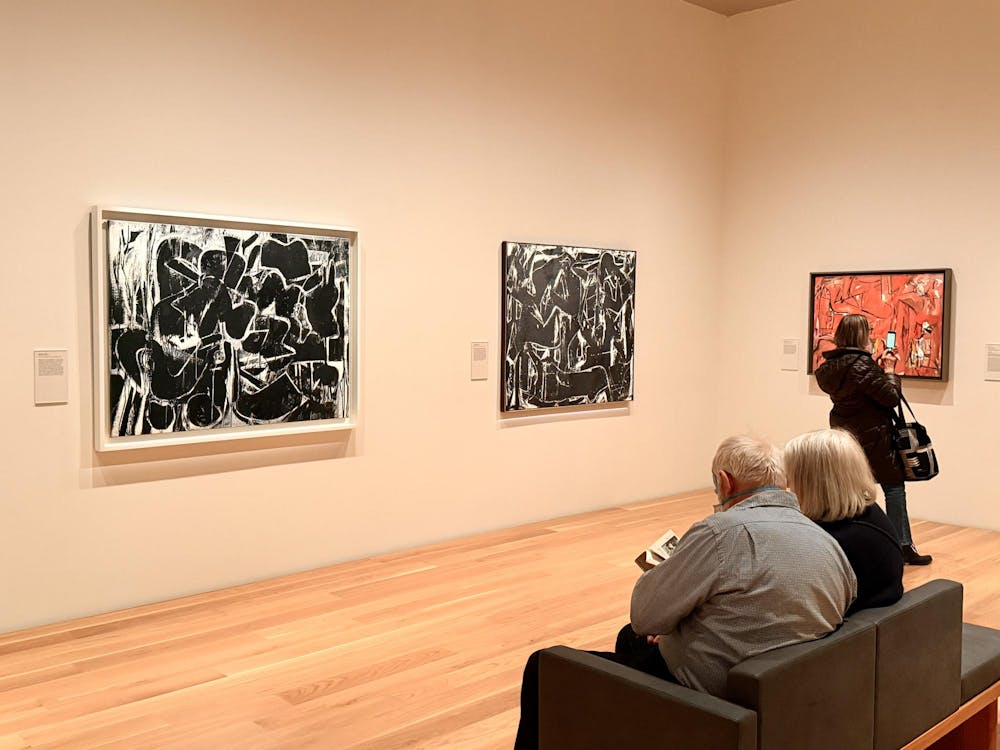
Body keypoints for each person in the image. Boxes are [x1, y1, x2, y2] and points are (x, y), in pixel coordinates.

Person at [512, 436, 857, 749]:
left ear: (724, 481)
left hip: (707, 703)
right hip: (784, 699)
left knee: (542, 665)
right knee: (631, 643)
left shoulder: (721, 532)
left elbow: (644, 615)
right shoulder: (827, 543)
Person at [814, 313, 932, 565]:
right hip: (874, 435)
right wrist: (888, 370)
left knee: (853, 490)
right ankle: (901, 545)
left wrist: (874, 367)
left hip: (845, 433)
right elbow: (889, 398)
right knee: (894, 487)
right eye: (867, 332)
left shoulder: (829, 368)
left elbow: (858, 386)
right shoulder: (862, 365)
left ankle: (855, 545)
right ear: (860, 335)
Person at [785, 429, 903, 614]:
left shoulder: (834, 541)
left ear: (811, 482)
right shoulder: (867, 512)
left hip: (850, 634)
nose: (788, 484)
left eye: (792, 476)